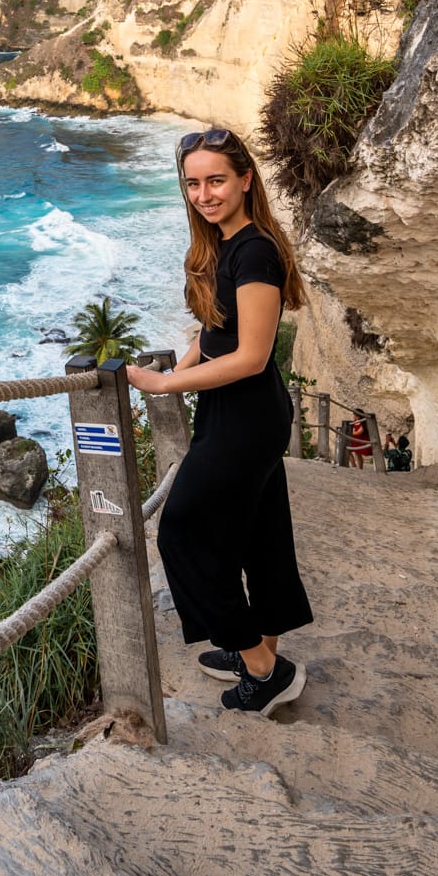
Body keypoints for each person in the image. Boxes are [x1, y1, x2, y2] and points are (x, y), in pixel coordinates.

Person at [127, 126, 313, 717]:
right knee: (259, 536)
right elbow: (219, 334)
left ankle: (265, 668)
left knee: (182, 531)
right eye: (193, 183)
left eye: (216, 180)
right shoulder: (225, 244)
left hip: (247, 414)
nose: (204, 193)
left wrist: (163, 382)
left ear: (245, 180)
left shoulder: (254, 250)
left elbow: (252, 355)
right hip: (240, 411)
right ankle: (256, 648)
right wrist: (186, 360)